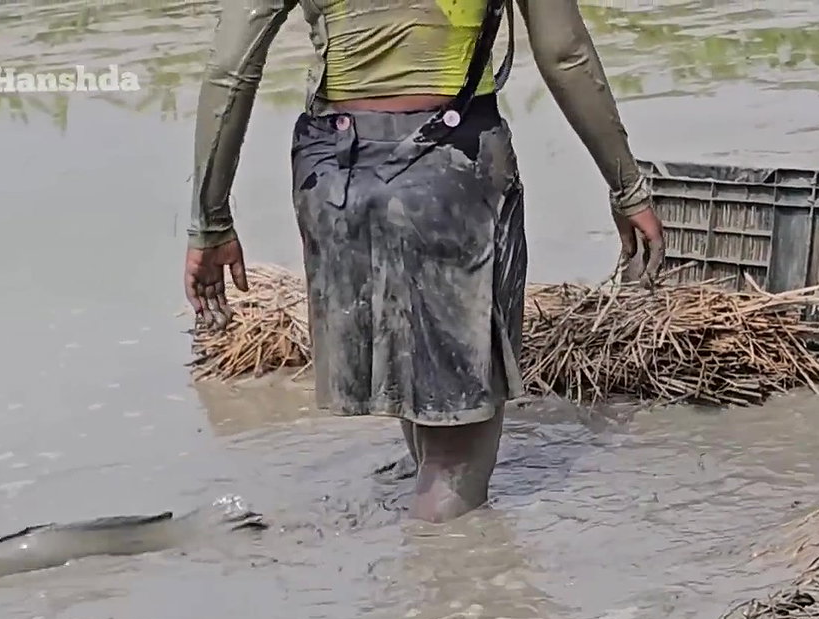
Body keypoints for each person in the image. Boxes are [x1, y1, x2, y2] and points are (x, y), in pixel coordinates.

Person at [184, 0, 665, 523]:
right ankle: (446, 592)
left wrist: (209, 222)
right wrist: (628, 189)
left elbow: (231, 69)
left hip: (333, 179)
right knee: (456, 455)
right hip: (451, 170)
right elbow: (564, 54)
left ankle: (421, 575)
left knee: (422, 401)